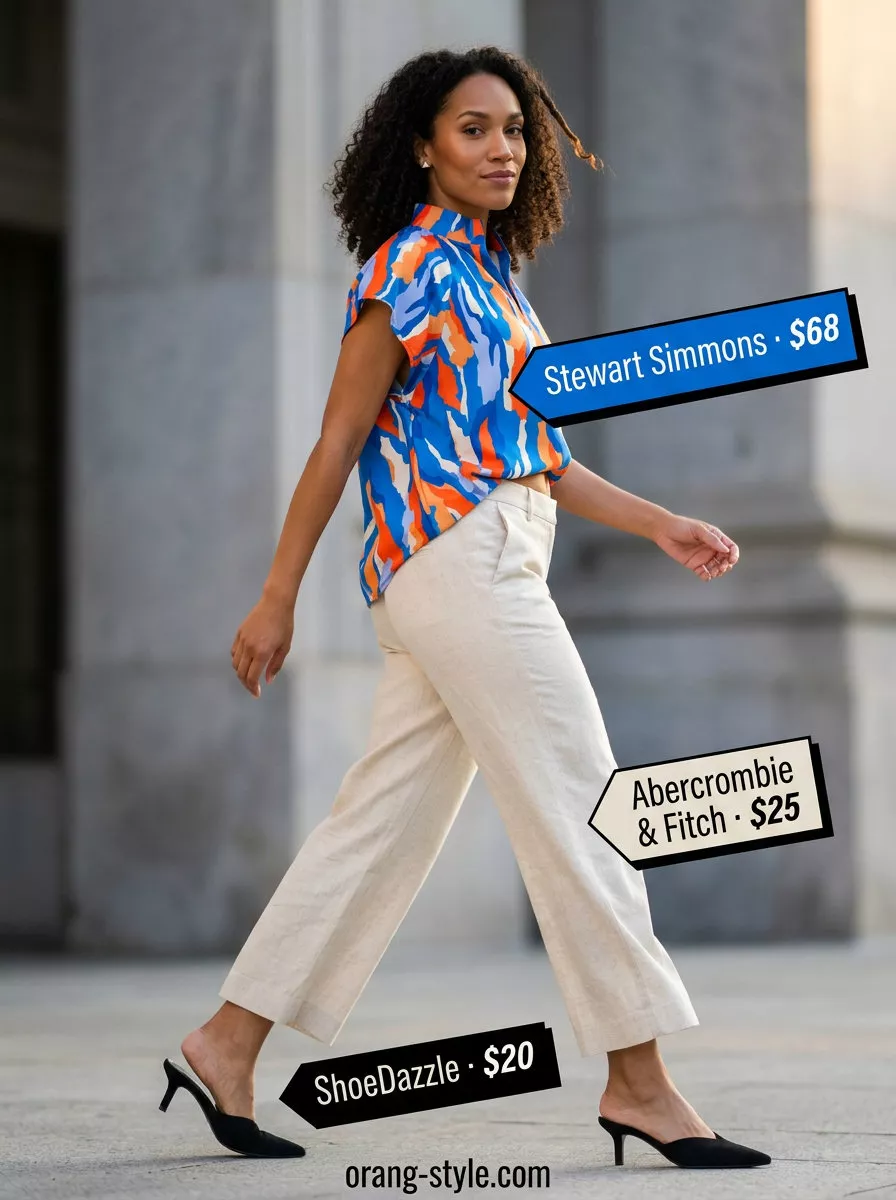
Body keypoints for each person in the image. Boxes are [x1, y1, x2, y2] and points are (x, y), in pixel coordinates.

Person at [161, 47, 769, 1170]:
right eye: (474, 129)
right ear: (422, 145)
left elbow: (541, 460)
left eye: (514, 132)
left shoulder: (500, 287)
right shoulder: (407, 269)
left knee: (379, 824)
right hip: (457, 563)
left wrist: (658, 523)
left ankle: (228, 1041)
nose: (501, 149)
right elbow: (338, 440)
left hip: (496, 556)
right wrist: (273, 596)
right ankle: (637, 1082)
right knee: (588, 801)